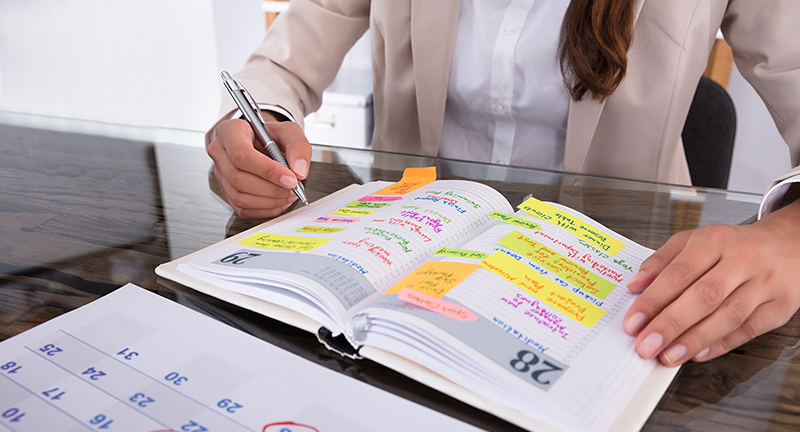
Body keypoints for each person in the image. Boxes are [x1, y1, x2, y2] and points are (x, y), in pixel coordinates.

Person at [205, 0, 800, 369]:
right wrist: (261, 116)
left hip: (610, 265)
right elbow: (286, 58)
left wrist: (790, 236)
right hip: (412, 244)